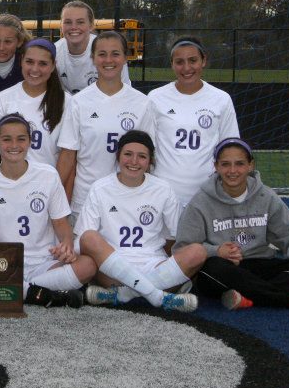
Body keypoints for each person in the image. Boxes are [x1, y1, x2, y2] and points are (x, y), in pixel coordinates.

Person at [175, 138, 289, 311]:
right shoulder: (200, 202)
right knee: (211, 270)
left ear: (250, 165)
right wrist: (217, 251)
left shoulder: (266, 196)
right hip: (226, 269)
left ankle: (248, 297)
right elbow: (183, 249)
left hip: (260, 264)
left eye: (239, 164)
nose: (232, 171)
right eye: (225, 164)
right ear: (216, 167)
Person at [0, 113, 94, 308]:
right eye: (6, 139)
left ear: (30, 142)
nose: (14, 145)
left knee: (88, 265)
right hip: (4, 265)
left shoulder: (47, 175)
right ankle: (42, 293)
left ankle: (22, 290)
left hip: (45, 263)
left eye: (21, 139)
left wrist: (67, 245)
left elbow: (61, 224)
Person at [76, 131, 204, 312]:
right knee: (89, 237)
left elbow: (178, 237)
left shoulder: (162, 188)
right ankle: (159, 296)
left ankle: (122, 295)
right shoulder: (100, 188)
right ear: (118, 156)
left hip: (153, 265)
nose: (134, 161)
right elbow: (84, 239)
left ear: (150, 161)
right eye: (128, 154)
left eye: (142, 156)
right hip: (112, 269)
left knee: (197, 251)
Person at [56, 31, 156, 224]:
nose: (108, 60)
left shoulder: (142, 103)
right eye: (102, 54)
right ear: (92, 58)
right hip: (85, 200)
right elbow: (68, 155)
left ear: (126, 58)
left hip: (128, 200)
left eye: (115, 54)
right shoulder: (78, 102)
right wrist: (54, 196)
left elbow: (148, 158)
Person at [148, 37, 240, 206]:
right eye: (179, 62)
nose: (187, 68)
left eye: (193, 60)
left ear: (203, 61)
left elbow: (230, 147)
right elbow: (147, 148)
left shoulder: (221, 99)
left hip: (207, 195)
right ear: (172, 64)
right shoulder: (155, 98)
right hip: (163, 195)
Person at [0, 38, 66, 167]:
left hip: (47, 183)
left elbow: (68, 154)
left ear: (53, 65)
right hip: (11, 180)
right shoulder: (3, 99)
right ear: (21, 61)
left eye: (43, 64)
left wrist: (54, 185)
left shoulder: (66, 102)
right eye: (29, 62)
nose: (35, 69)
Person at [53, 1, 130, 94]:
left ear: (91, 25)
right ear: (61, 26)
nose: (74, 27)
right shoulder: (54, 52)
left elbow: (124, 92)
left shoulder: (108, 51)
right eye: (68, 22)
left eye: (80, 22)